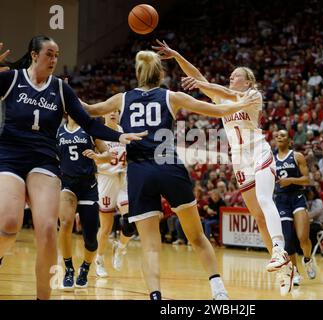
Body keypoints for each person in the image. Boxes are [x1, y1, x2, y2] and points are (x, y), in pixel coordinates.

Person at [81, 50, 261, 300]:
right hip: (168, 167)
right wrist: (242, 103)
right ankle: (218, 288)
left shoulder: (121, 99)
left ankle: (156, 296)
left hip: (139, 173)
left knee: (151, 247)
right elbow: (215, 110)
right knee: (196, 236)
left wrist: (60, 90)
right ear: (161, 74)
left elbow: (89, 109)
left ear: (138, 73)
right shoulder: (171, 96)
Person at [0, 36, 145, 300]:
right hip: (9, 156)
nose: (54, 60)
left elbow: (90, 124)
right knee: (9, 225)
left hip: (44, 159)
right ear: (34, 55)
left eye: (57, 55)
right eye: (49, 54)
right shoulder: (11, 79)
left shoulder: (61, 89)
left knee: (47, 230)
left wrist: (119, 137)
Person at [153, 40, 293, 294]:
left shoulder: (252, 95)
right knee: (258, 217)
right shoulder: (221, 94)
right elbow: (197, 75)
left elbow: (224, 93)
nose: (231, 77)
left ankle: (278, 250)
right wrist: (177, 55)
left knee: (264, 199)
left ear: (248, 81)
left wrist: (203, 85)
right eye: (230, 76)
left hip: (258, 150)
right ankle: (285, 267)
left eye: (235, 75)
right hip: (238, 159)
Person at [58, 115, 110, 289]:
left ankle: (85, 268)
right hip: (67, 184)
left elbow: (108, 155)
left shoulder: (90, 129)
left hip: (88, 186)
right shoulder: (57, 131)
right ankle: (69, 269)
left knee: (90, 239)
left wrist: (97, 156)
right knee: (65, 223)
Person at [273, 130, 316, 286]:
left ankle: (308, 259)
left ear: (290, 141)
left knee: (303, 237)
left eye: (283, 135)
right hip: (281, 200)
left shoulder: (297, 156)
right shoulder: (271, 160)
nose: (279, 137)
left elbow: (307, 180)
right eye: (277, 135)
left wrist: (290, 180)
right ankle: (295, 272)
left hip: (297, 197)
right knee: (288, 239)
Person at [94, 111, 133, 276]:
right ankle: (99, 259)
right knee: (106, 228)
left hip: (123, 179)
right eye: (109, 111)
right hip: (106, 179)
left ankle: (121, 247)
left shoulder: (123, 130)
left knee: (130, 222)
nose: (112, 114)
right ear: (104, 115)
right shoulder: (97, 132)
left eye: (115, 111)